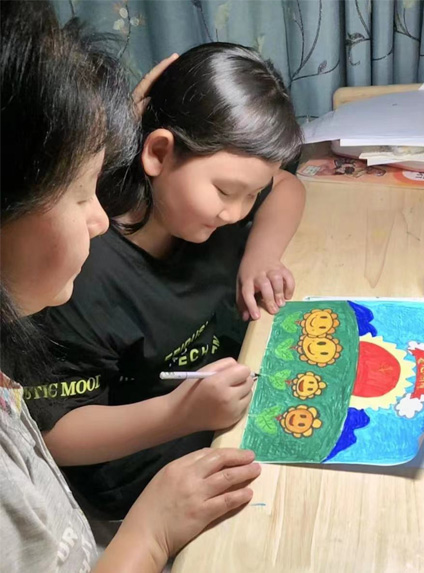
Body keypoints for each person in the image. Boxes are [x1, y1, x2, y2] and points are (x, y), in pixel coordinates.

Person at [1, 3, 260, 570]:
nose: (99, 219)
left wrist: (104, 132)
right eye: (80, 193)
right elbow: (61, 428)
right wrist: (152, 535)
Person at [18, 41, 306, 521]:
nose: (236, 213)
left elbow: (288, 187)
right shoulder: (78, 274)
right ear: (157, 152)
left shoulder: (212, 205)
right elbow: (53, 434)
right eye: (225, 192)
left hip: (219, 414)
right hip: (147, 470)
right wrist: (181, 414)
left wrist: (261, 255)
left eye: (250, 195)